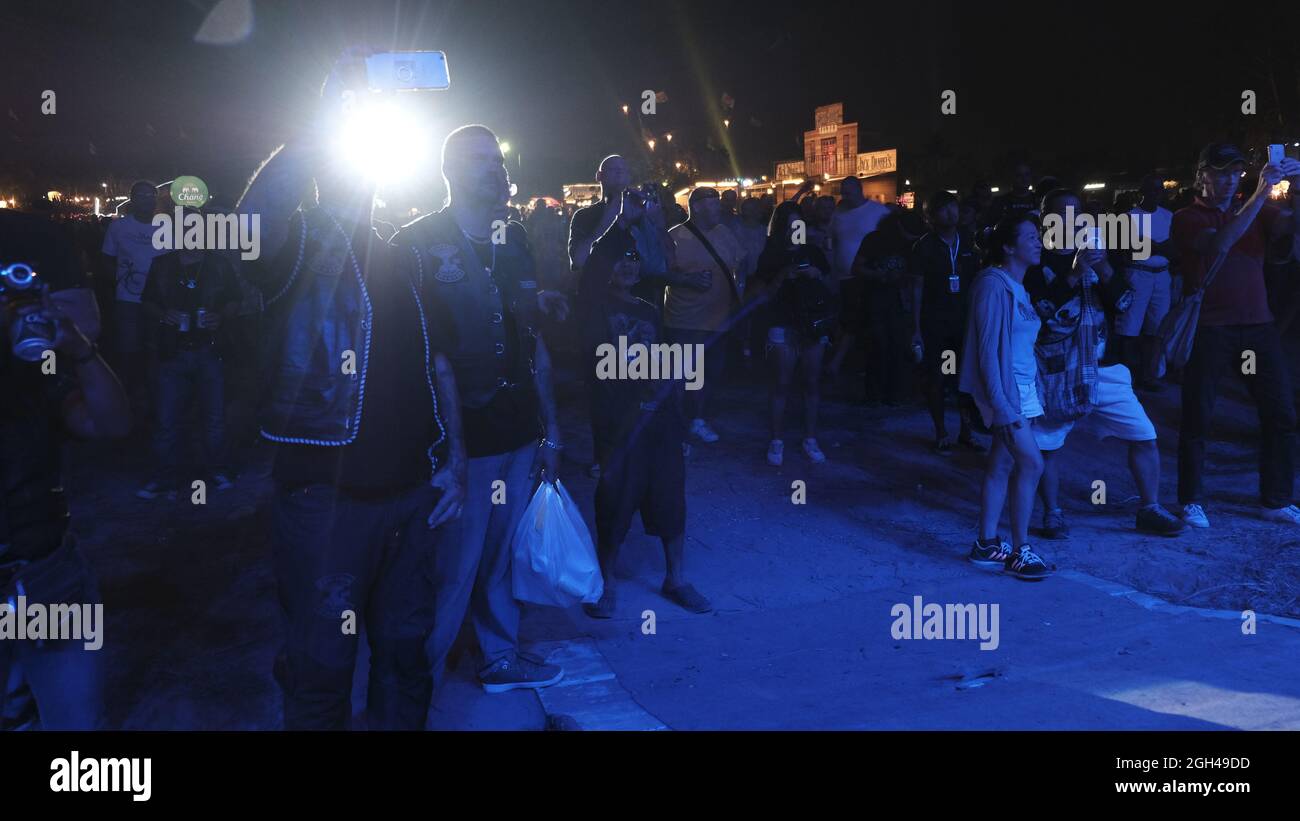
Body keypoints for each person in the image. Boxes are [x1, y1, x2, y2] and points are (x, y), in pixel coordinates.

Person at [236, 55, 467, 729]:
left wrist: (452, 458)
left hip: (410, 502)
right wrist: (320, 122)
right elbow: (251, 225)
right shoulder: (298, 250)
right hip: (325, 508)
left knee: (404, 657)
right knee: (320, 670)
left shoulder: (401, 254)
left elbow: (440, 364)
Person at [392, 124, 568, 695]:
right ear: (447, 170)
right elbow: (425, 355)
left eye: (496, 157)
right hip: (456, 441)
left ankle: (498, 657)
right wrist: (453, 454)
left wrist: (552, 431)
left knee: (500, 558)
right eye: (477, 159)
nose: (493, 168)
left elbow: (533, 339)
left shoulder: (514, 238)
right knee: (450, 568)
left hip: (517, 430)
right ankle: (415, 684)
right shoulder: (414, 244)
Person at [1, 209, 131, 729]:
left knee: (76, 735)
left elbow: (111, 424)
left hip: (42, 570)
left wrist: (80, 351)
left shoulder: (31, 370)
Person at [1025, 189, 1185, 538]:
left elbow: (1124, 303)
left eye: (1076, 214)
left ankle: (1150, 507)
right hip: (1058, 369)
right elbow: (1040, 311)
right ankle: (1053, 513)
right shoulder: (1035, 260)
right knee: (1046, 443)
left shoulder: (1096, 254)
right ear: (1045, 218)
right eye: (1061, 214)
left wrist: (1102, 267)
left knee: (1144, 435)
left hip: (1105, 368)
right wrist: (1072, 272)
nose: (1070, 221)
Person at [1172, 142, 1300, 528]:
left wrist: (1295, 186)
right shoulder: (1187, 217)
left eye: (1235, 172)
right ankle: (1191, 499)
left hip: (1257, 325)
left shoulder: (1256, 209)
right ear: (1202, 175)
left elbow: (1290, 227)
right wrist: (1262, 193)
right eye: (1220, 171)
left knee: (1280, 413)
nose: (1228, 179)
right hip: (1210, 326)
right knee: (1198, 415)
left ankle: (1275, 498)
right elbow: (1219, 243)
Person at [580, 239, 710, 618]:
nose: (628, 265)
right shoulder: (590, 307)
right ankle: (607, 585)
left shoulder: (650, 311)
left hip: (660, 422)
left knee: (671, 499)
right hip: (618, 426)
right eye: (620, 257)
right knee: (614, 504)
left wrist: (680, 424)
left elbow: (663, 367)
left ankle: (676, 578)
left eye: (634, 258)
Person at [958, 214, 1049, 579]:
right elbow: (986, 353)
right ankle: (1021, 549)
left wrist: (1034, 389)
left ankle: (986, 544)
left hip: (1021, 390)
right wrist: (1001, 404)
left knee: (1002, 464)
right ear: (1009, 247)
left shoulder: (1017, 286)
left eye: (1038, 235)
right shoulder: (993, 285)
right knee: (1032, 464)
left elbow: (1021, 347)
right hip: (1006, 393)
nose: (1039, 241)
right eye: (1030, 237)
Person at [135, 210, 244, 499]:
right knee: (166, 420)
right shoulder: (161, 265)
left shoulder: (219, 265)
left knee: (215, 419)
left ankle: (217, 471)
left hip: (211, 349)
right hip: (172, 351)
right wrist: (164, 314)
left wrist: (221, 316)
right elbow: (146, 302)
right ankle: (164, 478)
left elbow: (236, 299)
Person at [754, 201, 833, 466]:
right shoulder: (770, 255)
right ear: (780, 228)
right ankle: (777, 439)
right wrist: (783, 276)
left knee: (811, 384)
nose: (795, 230)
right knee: (781, 384)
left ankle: (810, 438)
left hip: (812, 325)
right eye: (789, 226)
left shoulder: (813, 251)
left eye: (798, 224)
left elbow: (831, 286)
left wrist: (816, 274)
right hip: (782, 324)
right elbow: (763, 296)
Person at [664, 186, 742, 444]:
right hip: (685, 320)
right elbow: (660, 274)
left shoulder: (725, 233)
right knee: (685, 376)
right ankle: (677, 426)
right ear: (696, 207)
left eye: (717, 203)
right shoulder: (674, 236)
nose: (718, 208)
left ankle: (697, 420)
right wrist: (688, 279)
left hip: (718, 319)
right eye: (712, 204)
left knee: (711, 373)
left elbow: (740, 264)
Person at [911, 190, 982, 454]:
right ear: (929, 216)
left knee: (965, 378)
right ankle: (941, 432)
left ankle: (967, 432)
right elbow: (916, 289)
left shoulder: (968, 242)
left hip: (963, 323)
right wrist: (916, 328)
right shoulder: (924, 246)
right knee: (939, 377)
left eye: (953, 207)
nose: (951, 213)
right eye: (943, 209)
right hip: (936, 324)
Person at [101, 180, 167, 420]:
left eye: (150, 195)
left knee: (155, 351)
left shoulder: (165, 228)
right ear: (132, 198)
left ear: (155, 199)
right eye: (140, 195)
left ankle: (152, 402)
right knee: (127, 351)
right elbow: (107, 259)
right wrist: (118, 283)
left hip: (158, 303)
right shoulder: (118, 228)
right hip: (127, 300)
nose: (146, 199)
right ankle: (123, 400)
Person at [1113, 173, 1175, 390]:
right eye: (1151, 190)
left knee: (1157, 327)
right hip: (1137, 274)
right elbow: (1129, 250)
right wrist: (1158, 247)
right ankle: (1126, 378)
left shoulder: (1169, 216)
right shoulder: (1129, 216)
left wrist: (1147, 245)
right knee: (1130, 327)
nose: (1156, 194)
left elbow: (1173, 247)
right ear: (1142, 192)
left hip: (1161, 274)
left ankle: (1148, 374)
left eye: (1159, 190)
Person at [827, 176, 888, 381]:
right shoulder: (838, 215)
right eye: (843, 192)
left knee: (857, 320)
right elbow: (833, 242)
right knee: (847, 320)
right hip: (843, 277)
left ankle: (841, 362)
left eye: (849, 191)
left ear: (859, 189)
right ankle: (848, 362)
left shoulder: (877, 211)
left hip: (866, 276)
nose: (845, 195)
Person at [854, 210, 912, 406]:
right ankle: (875, 394)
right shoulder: (874, 239)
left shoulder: (910, 243)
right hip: (876, 299)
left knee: (896, 346)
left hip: (898, 300)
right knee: (878, 346)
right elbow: (857, 267)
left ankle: (892, 393)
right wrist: (879, 276)